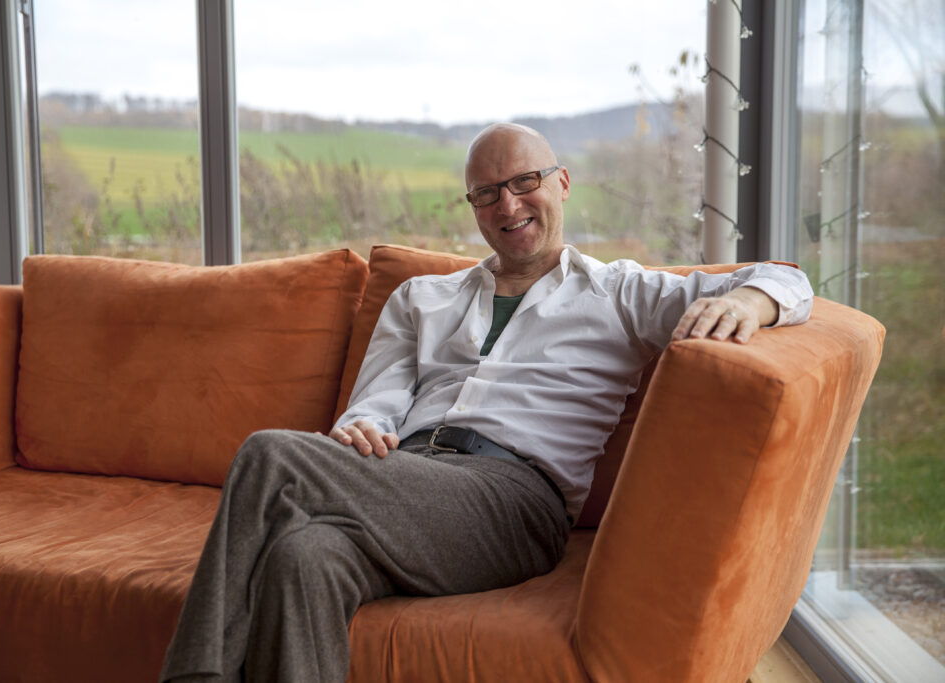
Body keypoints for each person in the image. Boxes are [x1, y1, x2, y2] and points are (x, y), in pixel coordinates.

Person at [159, 123, 813, 683]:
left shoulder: (618, 292)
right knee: (300, 557)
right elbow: (374, 404)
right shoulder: (420, 298)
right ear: (473, 205)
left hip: (515, 500)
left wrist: (744, 301)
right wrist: (361, 430)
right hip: (408, 480)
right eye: (487, 192)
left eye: (525, 182)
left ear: (562, 182)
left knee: (270, 455)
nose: (509, 203)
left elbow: (786, 279)